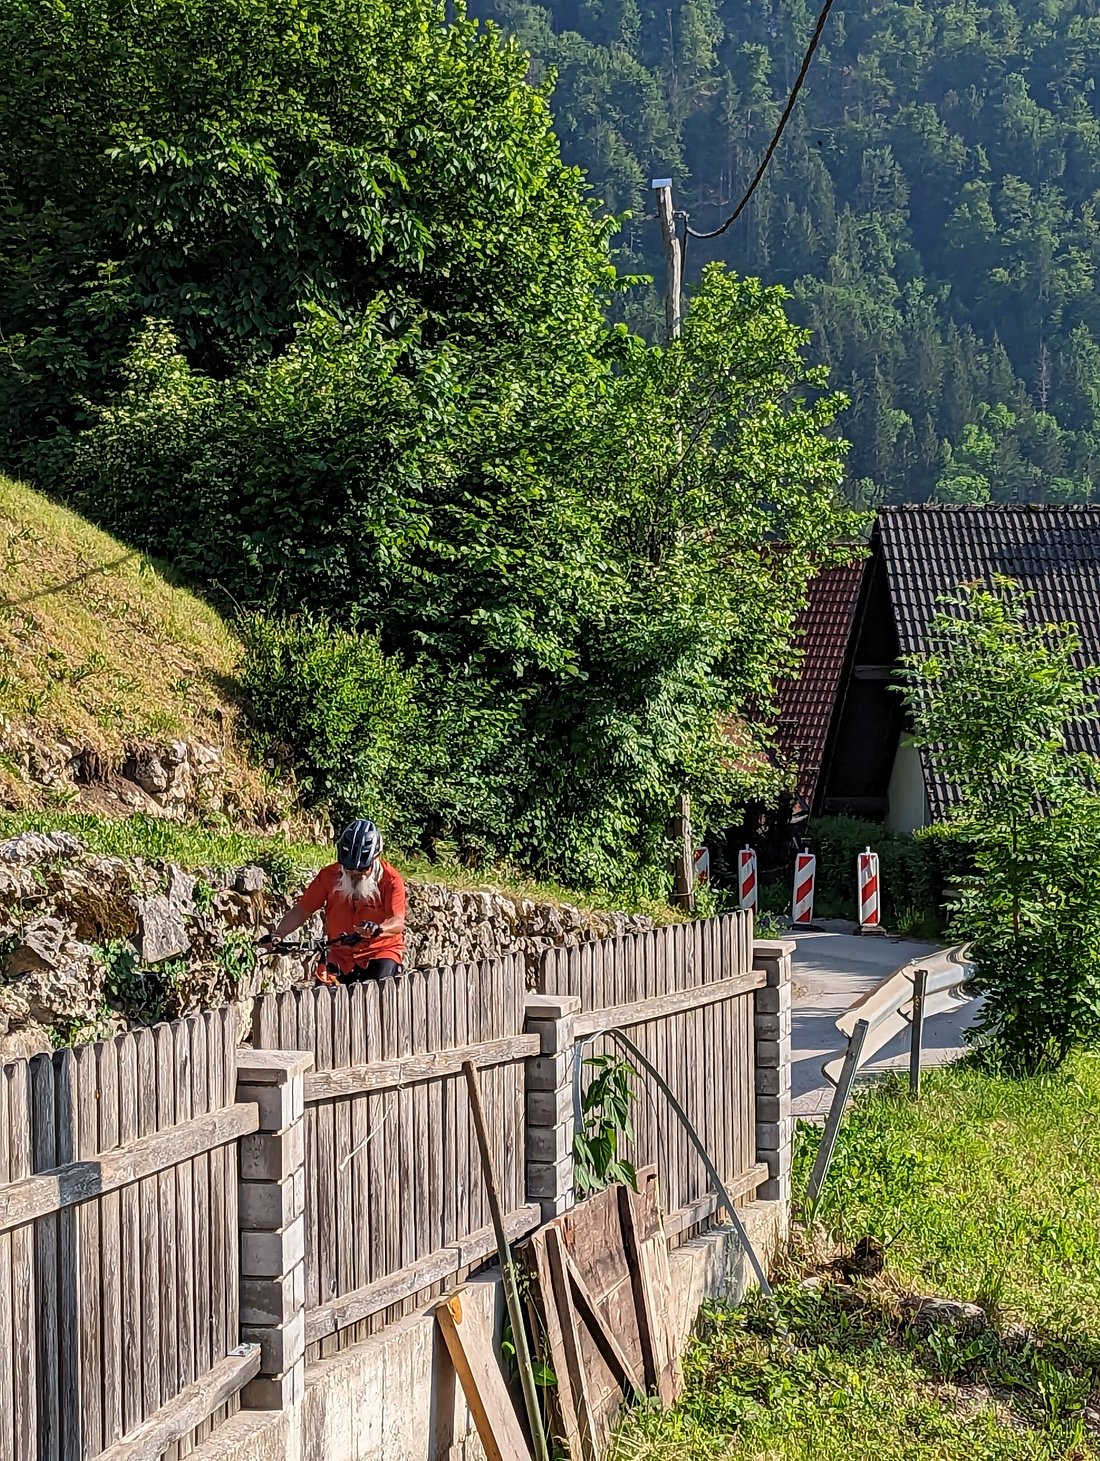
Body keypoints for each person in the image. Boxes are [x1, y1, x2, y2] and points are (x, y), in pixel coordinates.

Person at [260, 819, 406, 984]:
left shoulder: (391, 881)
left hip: (380, 951)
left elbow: (397, 922)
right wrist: (278, 934)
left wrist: (378, 929)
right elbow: (302, 910)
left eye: (362, 869)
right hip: (339, 954)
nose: (354, 874)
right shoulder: (328, 876)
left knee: (380, 990)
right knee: (321, 993)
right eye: (348, 869)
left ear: (376, 858)